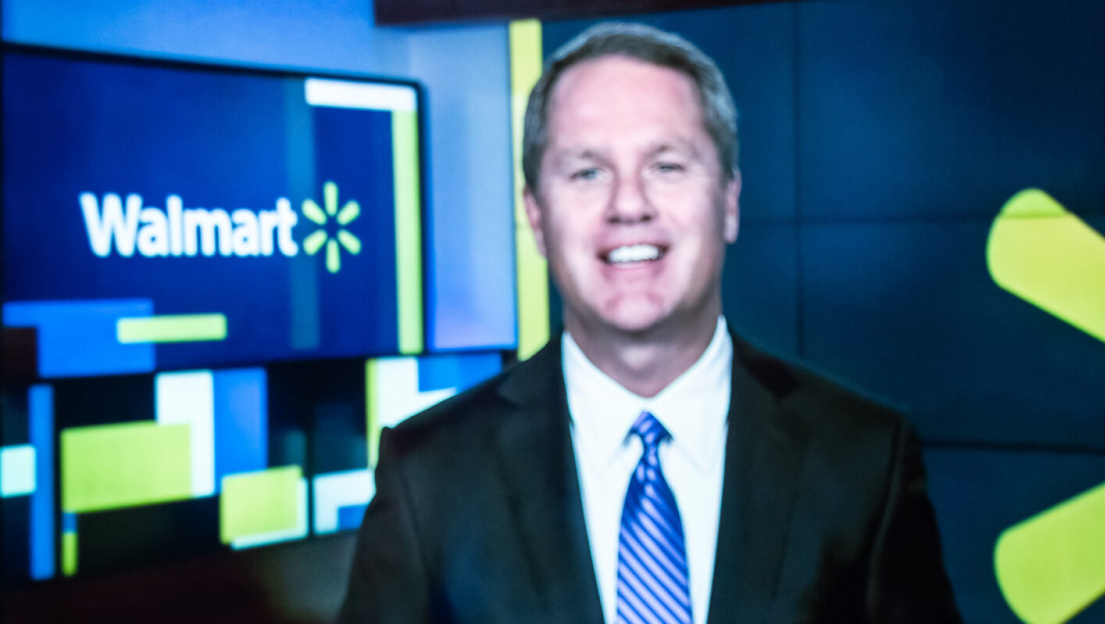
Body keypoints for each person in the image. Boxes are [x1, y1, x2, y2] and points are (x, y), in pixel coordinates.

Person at [339, 22, 962, 624]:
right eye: (588, 172)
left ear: (729, 201)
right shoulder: (428, 474)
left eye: (666, 165)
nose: (629, 204)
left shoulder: (864, 458)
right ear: (536, 217)